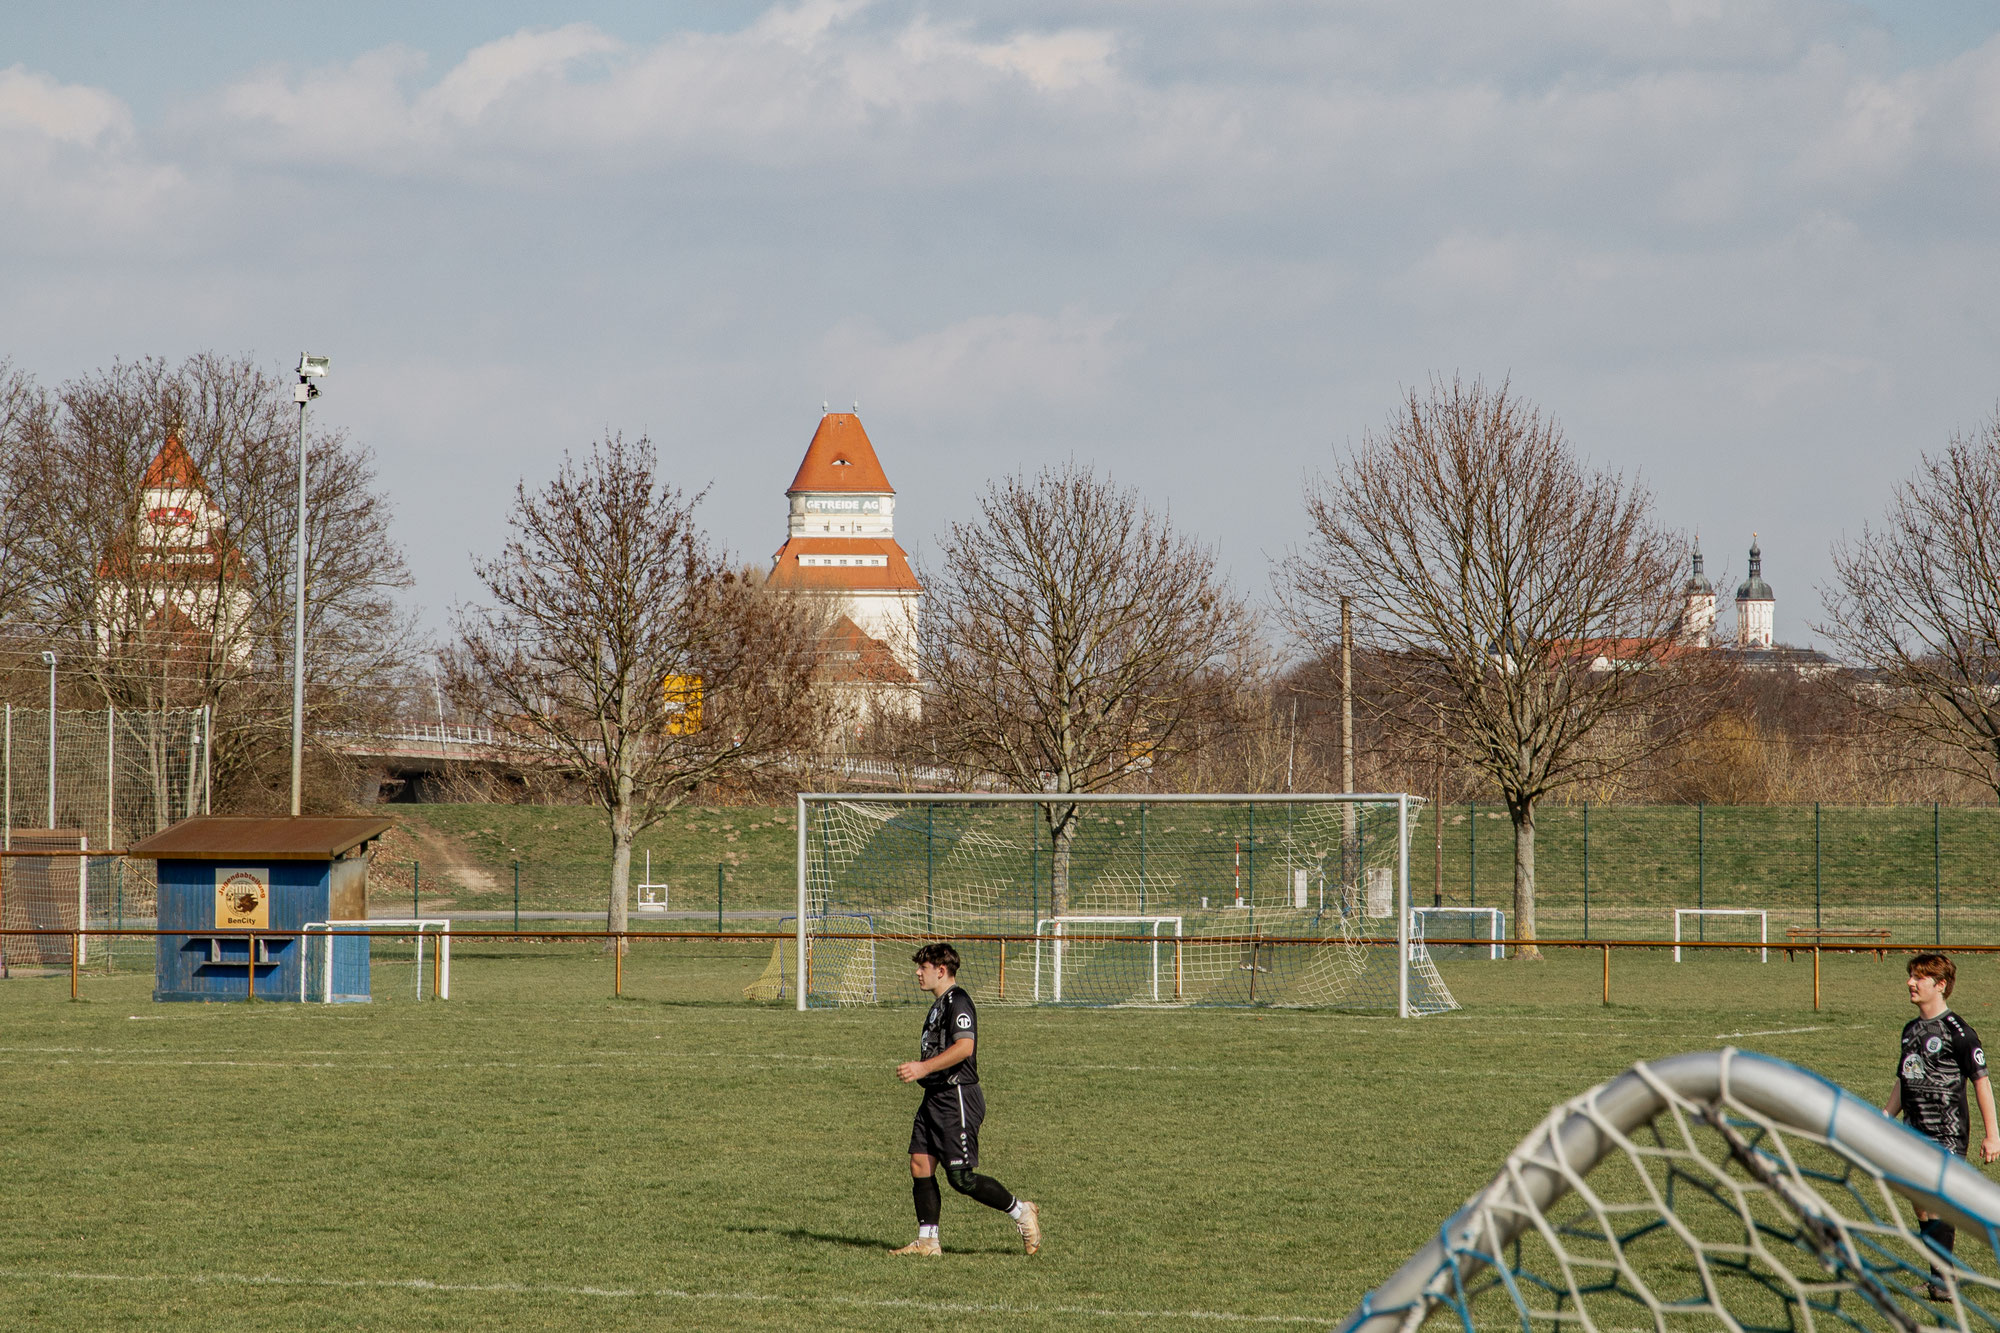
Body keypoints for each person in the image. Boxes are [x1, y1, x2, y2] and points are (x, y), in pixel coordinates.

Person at [889, 942, 1041, 1257]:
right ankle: (928, 1242)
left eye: (923, 967)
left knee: (961, 1178)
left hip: (956, 1096)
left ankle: (1021, 1211)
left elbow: (964, 1048)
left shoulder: (958, 1001)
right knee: (920, 1163)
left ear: (941, 970)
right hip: (934, 1096)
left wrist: (922, 1067)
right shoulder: (939, 1003)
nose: (918, 972)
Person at [1884, 952, 1999, 1298]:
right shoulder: (1910, 1030)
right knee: (1921, 1203)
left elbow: (1981, 1081)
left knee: (1937, 1198)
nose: (1910, 983)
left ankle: (1944, 1282)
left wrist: (1993, 1135)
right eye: (1911, 976)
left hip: (1947, 1132)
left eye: (1919, 978)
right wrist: (1886, 1115)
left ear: (1941, 985)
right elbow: (1904, 1079)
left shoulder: (1959, 1032)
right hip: (1912, 1128)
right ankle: (1940, 1278)